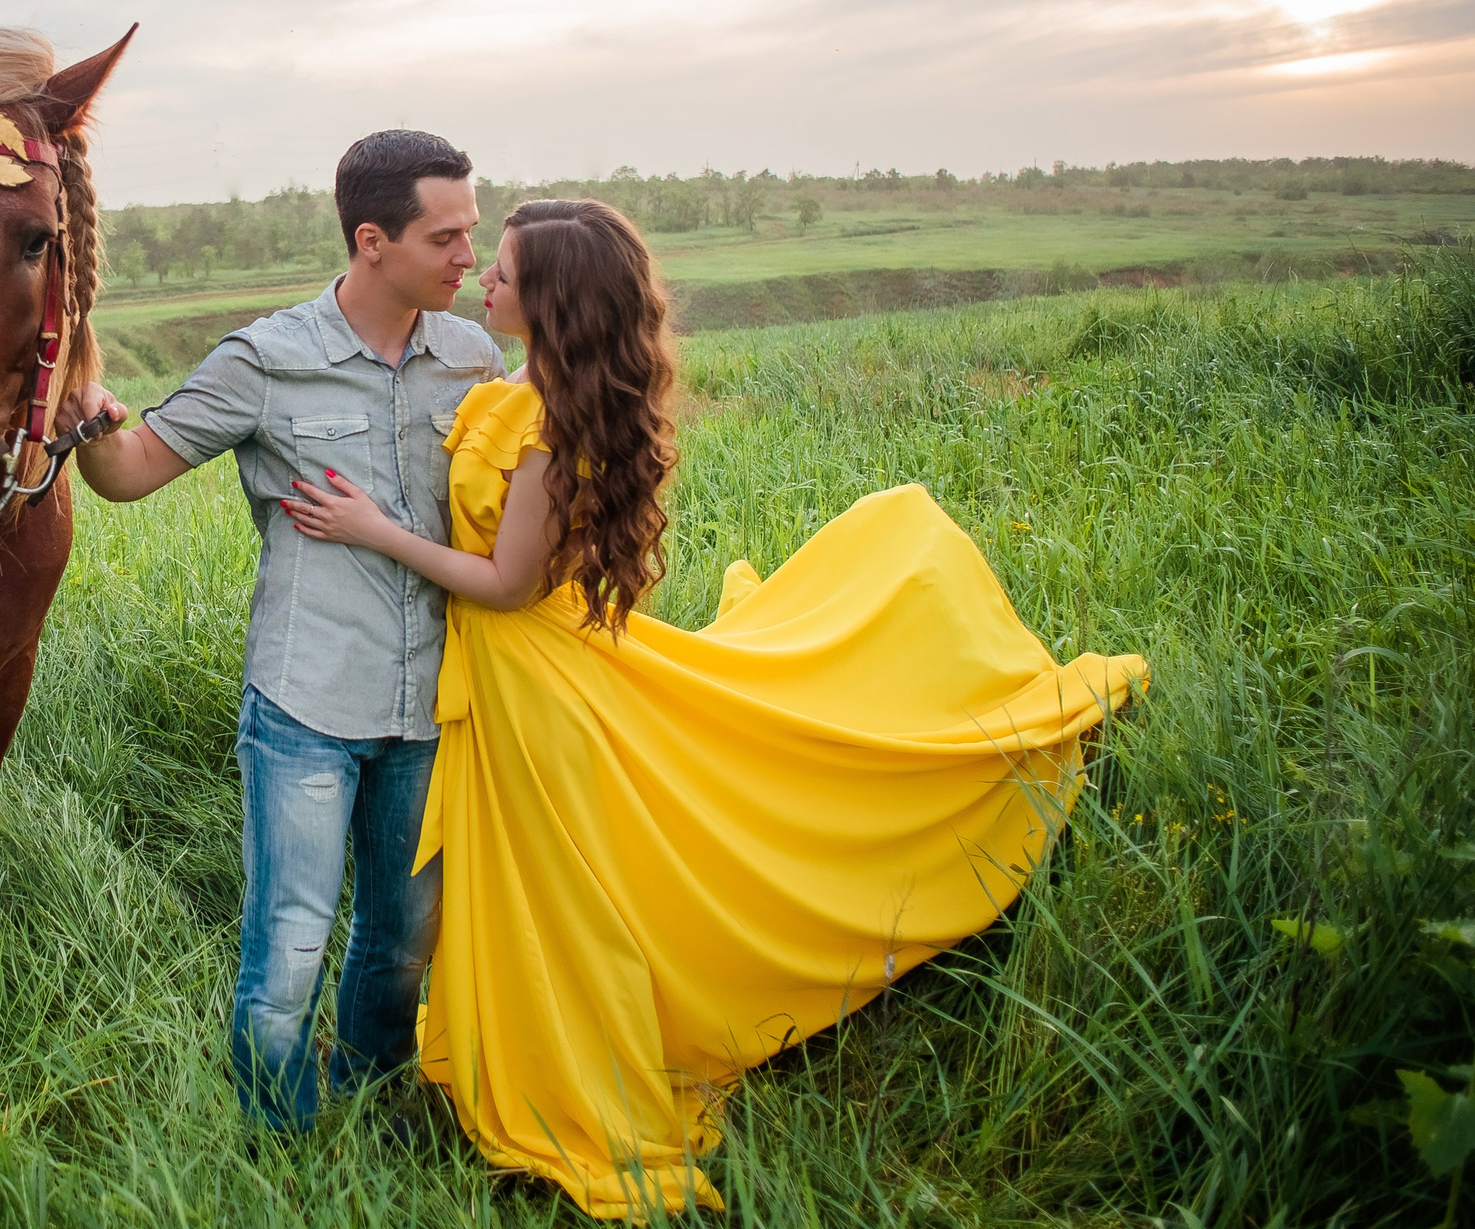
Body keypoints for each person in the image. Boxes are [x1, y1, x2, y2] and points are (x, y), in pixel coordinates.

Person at [280, 198, 1148, 1217]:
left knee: (555, 892)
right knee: (516, 881)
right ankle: (498, 1047)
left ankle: (571, 1067)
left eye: (505, 270)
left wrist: (371, 529)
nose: (485, 281)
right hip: (504, 673)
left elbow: (509, 583)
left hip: (532, 676)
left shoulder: (554, 426)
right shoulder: (508, 385)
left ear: (551, 299)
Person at [57, 130, 505, 1134]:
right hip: (305, 699)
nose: (466, 257)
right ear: (371, 239)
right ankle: (278, 1131)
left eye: (471, 233)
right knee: (291, 941)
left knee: (402, 938)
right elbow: (131, 472)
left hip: (432, 701)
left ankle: (376, 1096)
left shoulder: (474, 358)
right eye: (447, 236)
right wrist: (89, 424)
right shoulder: (266, 359)